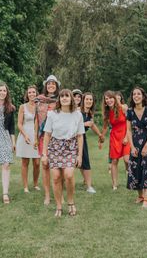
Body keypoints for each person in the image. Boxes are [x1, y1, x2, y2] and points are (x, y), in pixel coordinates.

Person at [42, 88, 85, 217]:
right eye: (62, 96)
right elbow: (47, 134)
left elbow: (80, 136)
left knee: (69, 175)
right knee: (55, 177)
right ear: (59, 99)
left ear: (71, 98)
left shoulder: (78, 114)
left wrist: (79, 155)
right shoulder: (52, 114)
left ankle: (71, 202)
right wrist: (44, 154)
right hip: (55, 147)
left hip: (70, 147)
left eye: (67, 96)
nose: (64, 98)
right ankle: (59, 206)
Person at [126, 87, 147, 208]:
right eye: (134, 94)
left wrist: (146, 145)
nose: (136, 96)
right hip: (135, 143)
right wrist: (132, 146)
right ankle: (140, 196)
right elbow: (129, 130)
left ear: (143, 96)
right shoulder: (129, 111)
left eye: (138, 94)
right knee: (136, 168)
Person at [75, 90, 104, 193]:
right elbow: (71, 126)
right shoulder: (77, 111)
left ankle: (89, 186)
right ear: (83, 100)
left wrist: (100, 135)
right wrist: (84, 124)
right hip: (73, 139)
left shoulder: (90, 112)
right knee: (72, 162)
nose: (89, 101)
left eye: (90, 99)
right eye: (87, 99)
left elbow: (91, 124)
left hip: (82, 138)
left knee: (85, 162)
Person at [38, 74, 60, 205]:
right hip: (43, 137)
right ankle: (47, 195)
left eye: (53, 84)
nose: (51, 86)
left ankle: (59, 193)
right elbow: (37, 120)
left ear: (56, 86)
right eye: (49, 84)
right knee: (45, 165)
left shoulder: (60, 100)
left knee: (59, 167)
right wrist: (36, 137)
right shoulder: (40, 100)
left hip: (57, 137)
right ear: (46, 86)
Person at [102, 90, 130, 190]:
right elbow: (105, 127)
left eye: (110, 98)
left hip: (125, 134)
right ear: (105, 101)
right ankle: (114, 184)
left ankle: (131, 178)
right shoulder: (107, 112)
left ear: (114, 98)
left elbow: (129, 122)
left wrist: (127, 136)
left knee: (127, 159)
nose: (109, 100)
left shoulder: (123, 107)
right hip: (115, 136)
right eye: (106, 99)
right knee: (114, 160)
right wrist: (101, 137)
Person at [16, 85, 40, 193]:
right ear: (27, 94)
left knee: (37, 162)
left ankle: (35, 184)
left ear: (36, 94)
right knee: (25, 162)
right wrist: (25, 135)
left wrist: (37, 137)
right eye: (29, 92)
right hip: (25, 134)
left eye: (33, 92)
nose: (31, 94)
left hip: (36, 135)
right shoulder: (22, 107)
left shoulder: (39, 106)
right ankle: (25, 186)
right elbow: (19, 124)